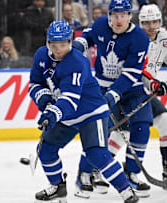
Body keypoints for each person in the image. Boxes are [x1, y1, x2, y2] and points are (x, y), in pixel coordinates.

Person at [29, 20, 138, 203]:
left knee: (97, 154)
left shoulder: (77, 62)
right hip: (65, 114)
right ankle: (58, 187)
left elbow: (70, 99)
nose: (58, 49)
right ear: (48, 43)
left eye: (63, 45)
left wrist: (53, 112)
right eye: (54, 45)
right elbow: (35, 83)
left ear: (70, 42)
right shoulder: (41, 55)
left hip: (91, 112)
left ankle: (126, 190)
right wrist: (45, 100)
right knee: (46, 150)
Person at [72, 0, 152, 197]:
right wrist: (76, 46)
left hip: (132, 89)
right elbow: (88, 37)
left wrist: (114, 94)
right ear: (109, 15)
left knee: (141, 126)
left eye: (123, 15)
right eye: (115, 15)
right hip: (101, 86)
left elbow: (132, 72)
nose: (119, 19)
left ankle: (132, 173)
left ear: (129, 16)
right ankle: (84, 173)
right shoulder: (100, 24)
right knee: (97, 130)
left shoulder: (140, 37)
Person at [108, 3, 167, 189]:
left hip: (144, 92)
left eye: (155, 21)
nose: (151, 26)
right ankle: (97, 168)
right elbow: (135, 71)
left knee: (165, 122)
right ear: (140, 23)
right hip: (128, 90)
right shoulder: (135, 39)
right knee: (123, 130)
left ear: (160, 21)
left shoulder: (165, 38)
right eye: (146, 23)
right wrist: (154, 83)